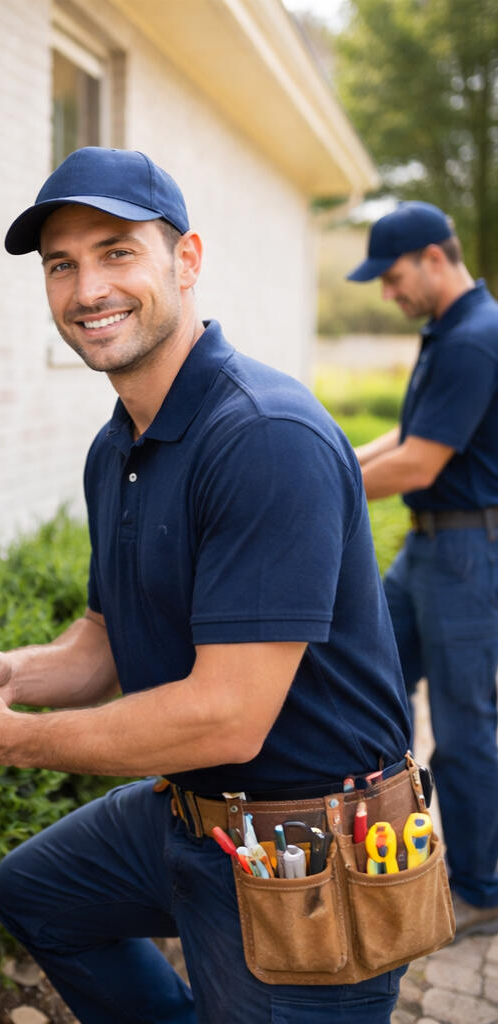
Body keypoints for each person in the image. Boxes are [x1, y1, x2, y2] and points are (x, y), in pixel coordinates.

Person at [0, 147, 414, 1023]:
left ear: (187, 260)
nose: (87, 287)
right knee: (38, 893)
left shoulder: (263, 436)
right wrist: (11, 674)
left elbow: (228, 715)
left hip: (307, 851)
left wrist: (7, 739)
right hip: (189, 811)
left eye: (116, 251)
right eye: (62, 265)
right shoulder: (120, 445)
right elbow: (101, 639)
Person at [347, 200, 498, 938]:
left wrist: (316, 482)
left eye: (393, 275)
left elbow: (417, 461)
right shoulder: (449, 331)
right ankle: (393, 840)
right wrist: (334, 457)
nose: (387, 291)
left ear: (435, 258)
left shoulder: (474, 339)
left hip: (468, 553)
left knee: (466, 727)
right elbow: (406, 433)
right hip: (428, 547)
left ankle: (480, 887)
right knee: (373, 681)